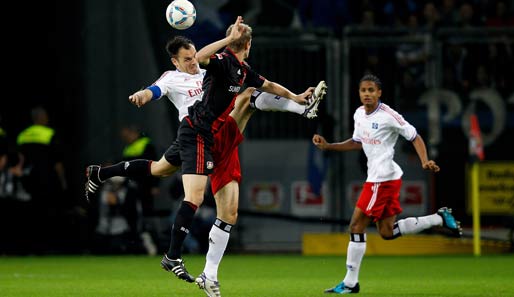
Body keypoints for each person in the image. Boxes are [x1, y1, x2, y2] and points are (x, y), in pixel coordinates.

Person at [84, 34, 325, 285]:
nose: (192, 63)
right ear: (175, 62)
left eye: (193, 56)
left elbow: (261, 81)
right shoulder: (173, 77)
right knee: (196, 194)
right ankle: (173, 255)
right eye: (186, 59)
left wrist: (295, 95)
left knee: (159, 170)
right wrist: (143, 95)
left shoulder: (209, 70)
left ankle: (101, 173)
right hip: (197, 136)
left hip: (206, 137)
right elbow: (155, 90)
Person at [312, 73, 461, 294]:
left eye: (371, 90)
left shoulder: (389, 115)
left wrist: (424, 160)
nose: (367, 94)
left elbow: (414, 136)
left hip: (381, 180)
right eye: (363, 90)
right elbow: (356, 142)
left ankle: (351, 283)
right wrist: (329, 146)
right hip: (384, 179)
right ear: (359, 93)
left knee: (356, 226)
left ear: (379, 93)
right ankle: (439, 218)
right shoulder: (359, 114)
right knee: (387, 232)